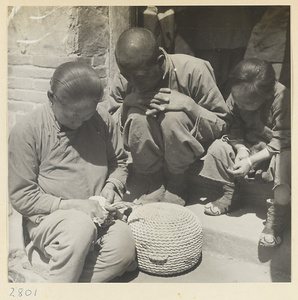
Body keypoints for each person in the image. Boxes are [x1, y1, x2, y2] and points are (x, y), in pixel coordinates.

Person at [8, 61, 137, 282]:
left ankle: (52, 271)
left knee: (123, 249)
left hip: (98, 217)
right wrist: (71, 205)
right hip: (50, 220)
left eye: (86, 116)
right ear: (51, 98)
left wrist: (111, 186)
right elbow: (22, 196)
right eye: (71, 116)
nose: (79, 123)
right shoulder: (27, 131)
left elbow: (119, 163)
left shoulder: (102, 120)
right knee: (80, 227)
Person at [108, 27, 230, 206]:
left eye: (139, 78)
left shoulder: (194, 70)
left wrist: (189, 106)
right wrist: (127, 103)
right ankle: (155, 181)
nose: (134, 83)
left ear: (159, 61)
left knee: (173, 117)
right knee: (136, 115)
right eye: (128, 77)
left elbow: (222, 124)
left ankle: (176, 184)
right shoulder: (128, 75)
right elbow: (110, 124)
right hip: (147, 161)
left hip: (188, 150)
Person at [200, 58, 291, 247]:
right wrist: (240, 149)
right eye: (236, 100)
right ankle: (231, 194)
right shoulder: (238, 94)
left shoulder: (282, 97)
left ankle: (277, 216)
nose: (239, 105)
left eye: (247, 103)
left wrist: (250, 161)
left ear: (265, 96)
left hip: (274, 150)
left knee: (285, 164)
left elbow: (283, 138)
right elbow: (233, 125)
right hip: (250, 145)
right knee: (218, 149)